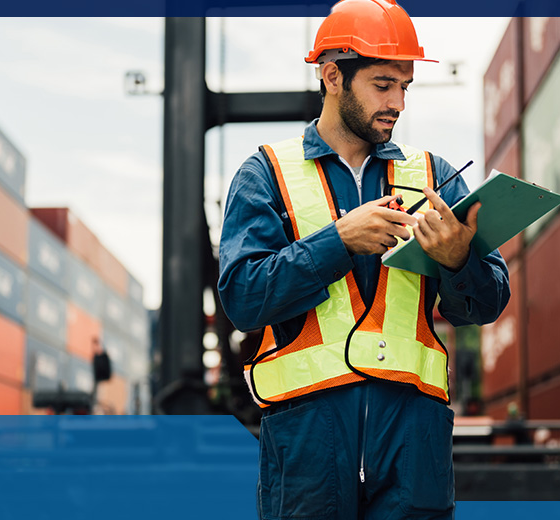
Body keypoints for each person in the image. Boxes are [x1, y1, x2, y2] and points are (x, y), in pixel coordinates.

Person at [217, 1, 509, 518]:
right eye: (382, 84)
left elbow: (484, 306)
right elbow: (242, 299)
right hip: (308, 441)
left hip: (414, 443)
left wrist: (458, 260)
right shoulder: (266, 174)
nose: (397, 102)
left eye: (405, 86)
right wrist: (338, 242)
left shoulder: (434, 175)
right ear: (332, 76)